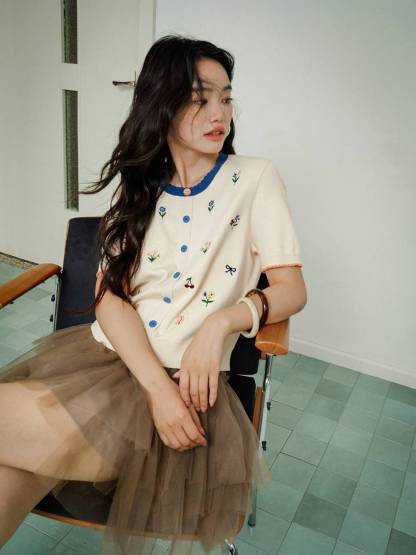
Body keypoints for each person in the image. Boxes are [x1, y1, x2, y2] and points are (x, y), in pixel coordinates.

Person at [0, 34, 307, 554]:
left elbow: (291, 288)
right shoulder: (143, 184)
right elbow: (110, 297)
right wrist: (155, 389)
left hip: (185, 398)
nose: (219, 113)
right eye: (199, 98)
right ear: (161, 103)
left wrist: (221, 323)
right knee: (9, 476)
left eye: (226, 97)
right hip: (108, 367)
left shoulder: (254, 178)